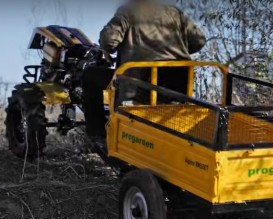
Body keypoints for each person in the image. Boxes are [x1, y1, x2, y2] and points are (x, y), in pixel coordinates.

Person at [83, 0, 206, 139]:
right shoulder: (175, 12)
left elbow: (109, 40)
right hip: (177, 87)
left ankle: (97, 135)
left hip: (140, 85)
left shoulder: (128, 11)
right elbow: (200, 40)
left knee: (90, 75)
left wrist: (108, 47)